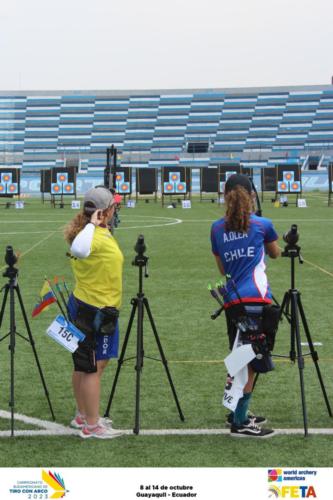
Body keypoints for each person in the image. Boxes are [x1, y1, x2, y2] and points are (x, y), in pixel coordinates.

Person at [210, 174, 280, 438]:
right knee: (249, 361)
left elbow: (223, 268)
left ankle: (236, 410)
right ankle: (240, 421)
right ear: (251, 196)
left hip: (233, 300)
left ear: (225, 196)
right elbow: (275, 252)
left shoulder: (216, 229)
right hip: (256, 300)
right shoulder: (263, 224)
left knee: (240, 357)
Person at [64, 186, 124, 439]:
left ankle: (82, 414)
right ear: (104, 212)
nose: (116, 209)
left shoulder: (92, 233)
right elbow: (79, 250)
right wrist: (93, 224)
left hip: (86, 305)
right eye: (113, 206)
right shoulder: (90, 235)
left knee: (82, 365)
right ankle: (91, 424)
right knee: (93, 367)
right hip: (95, 310)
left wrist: (94, 225)